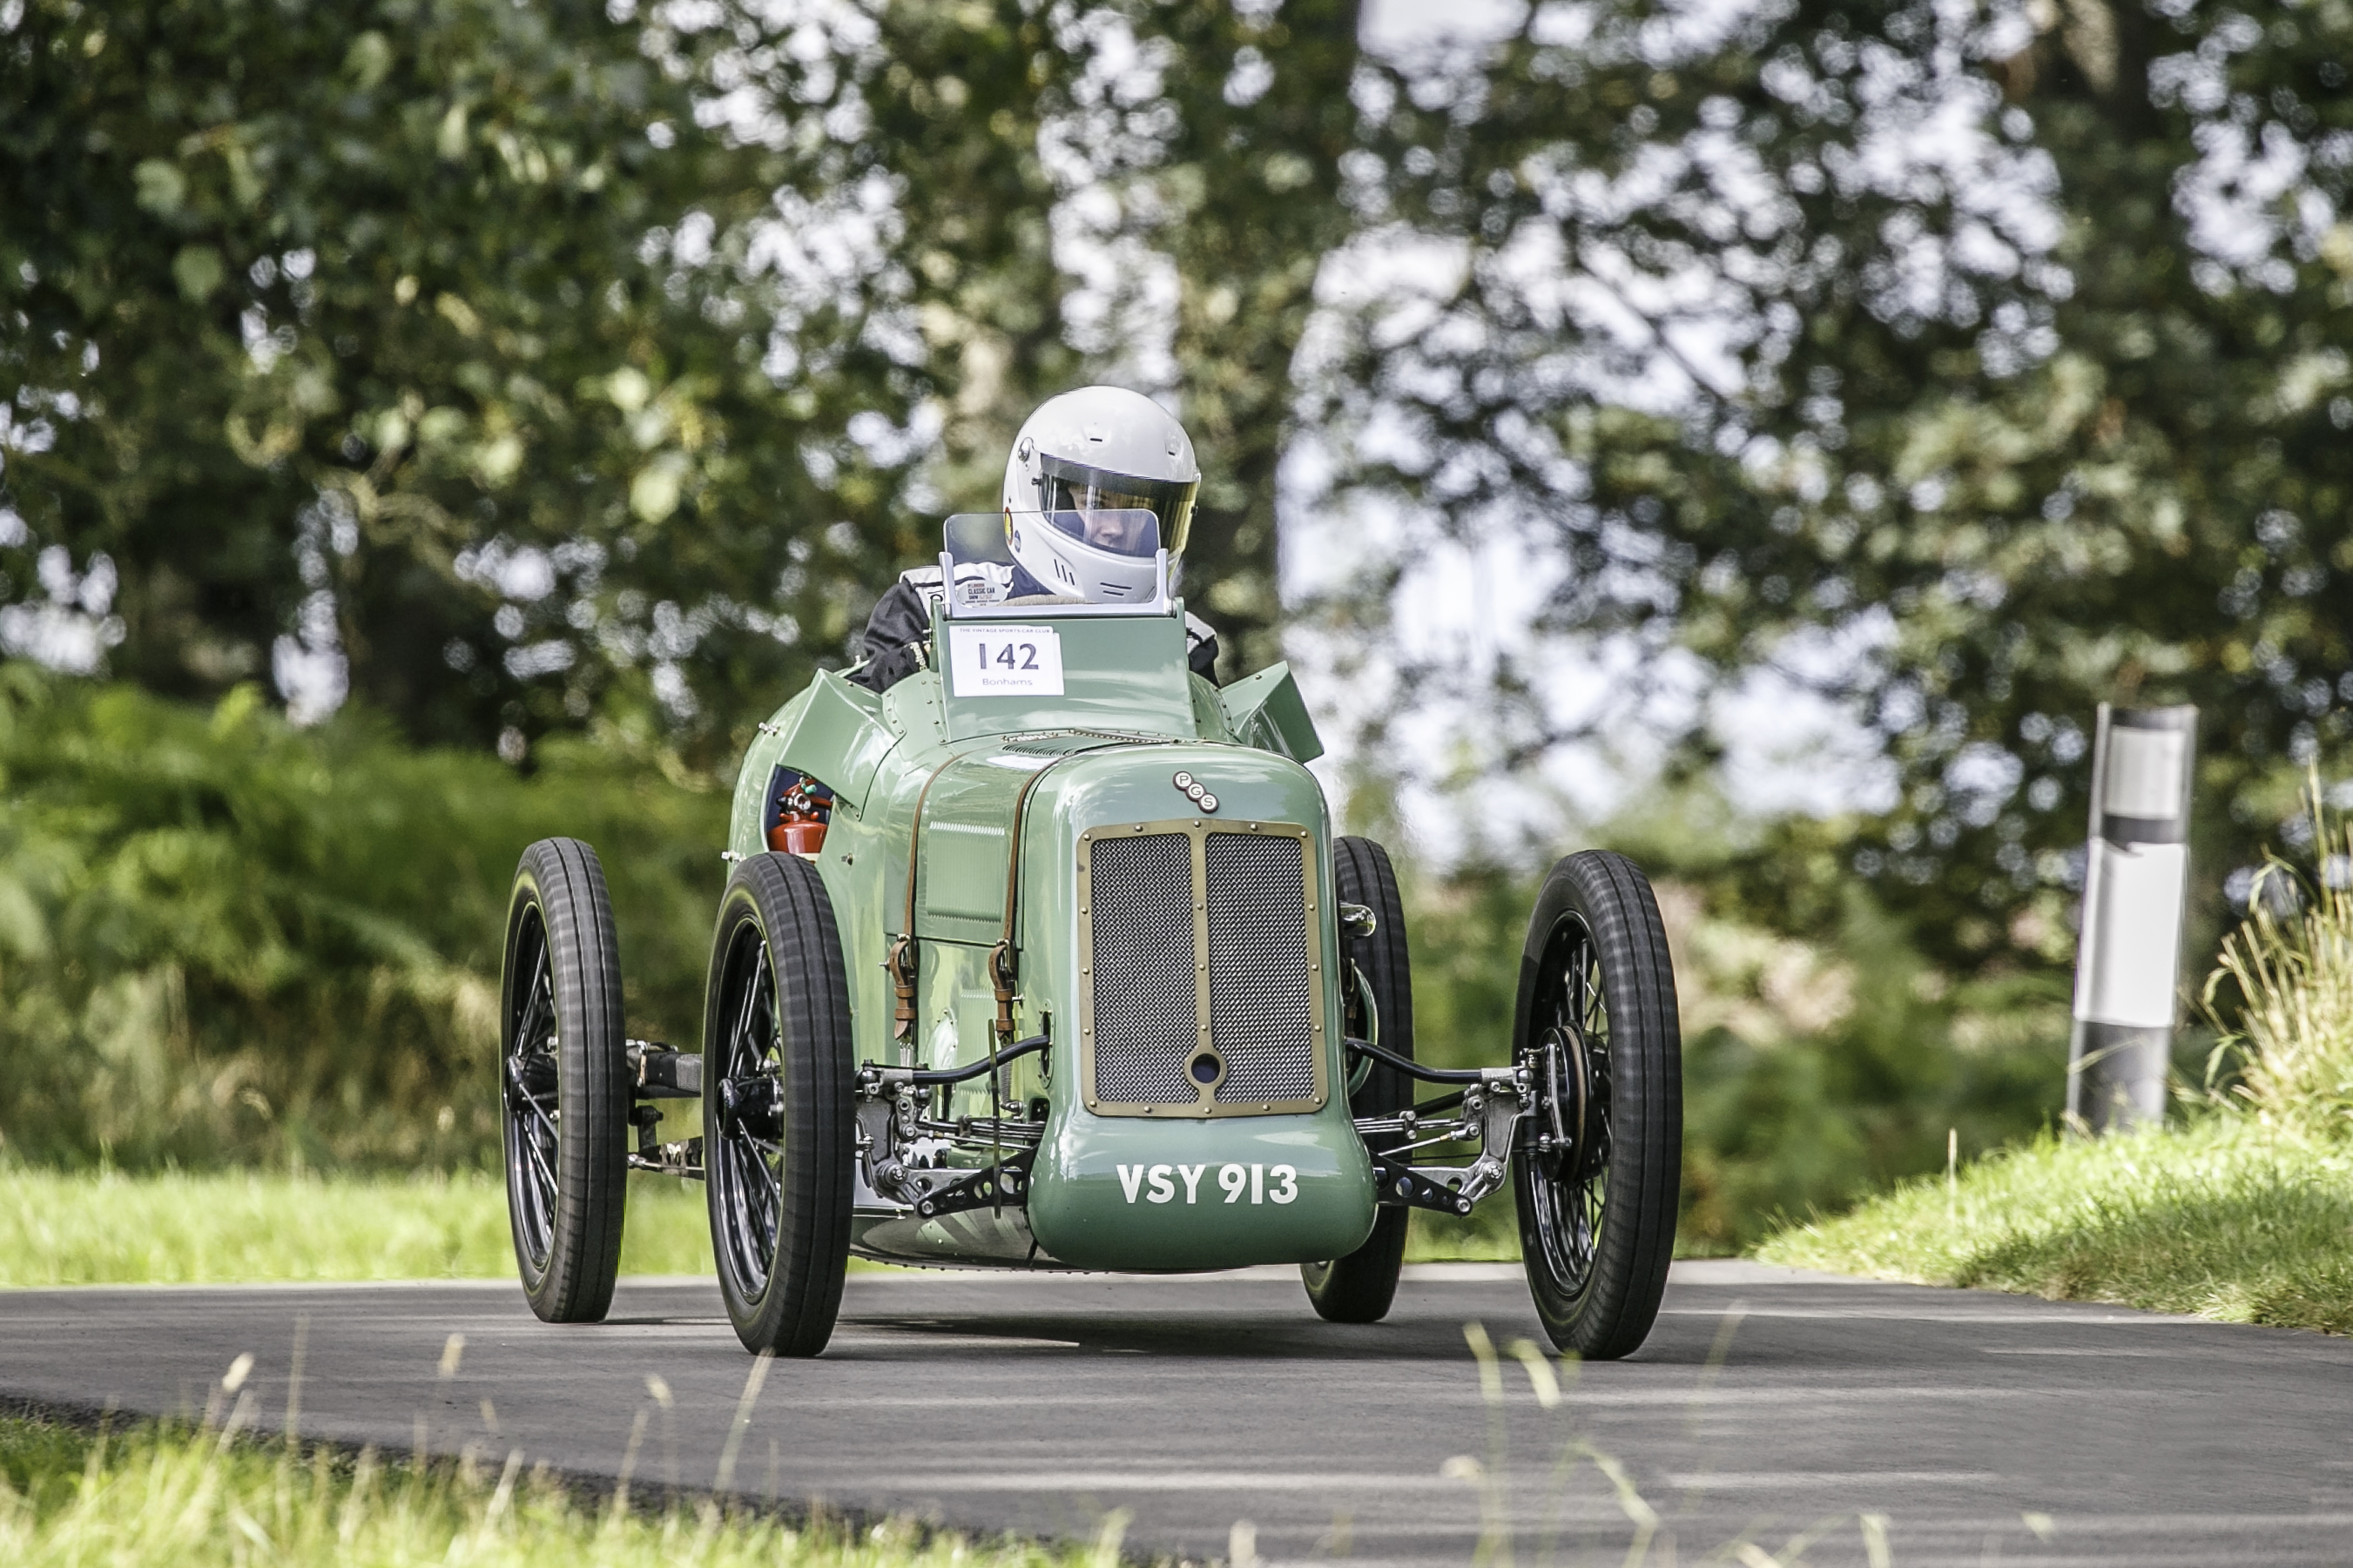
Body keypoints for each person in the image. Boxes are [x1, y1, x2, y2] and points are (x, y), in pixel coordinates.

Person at [846, 387, 1221, 693]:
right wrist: (932, 653)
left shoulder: (1183, 641)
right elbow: (867, 724)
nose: (1118, 527)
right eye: (1097, 503)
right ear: (1041, 492)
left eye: (1141, 511)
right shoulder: (936, 601)